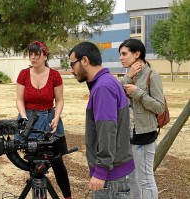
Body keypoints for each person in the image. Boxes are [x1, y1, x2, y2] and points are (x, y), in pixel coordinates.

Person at [68, 41, 135, 199]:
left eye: (72, 64)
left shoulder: (102, 87)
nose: (71, 70)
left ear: (84, 60)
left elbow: (107, 130)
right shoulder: (107, 81)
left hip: (111, 178)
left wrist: (101, 171)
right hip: (115, 173)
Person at [16, 40, 72, 199]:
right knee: (33, 160)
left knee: (56, 161)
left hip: (48, 119)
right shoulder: (24, 74)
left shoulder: (54, 75)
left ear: (45, 56)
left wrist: (56, 116)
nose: (32, 57)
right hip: (28, 119)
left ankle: (68, 196)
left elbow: (59, 100)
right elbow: (19, 99)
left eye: (36, 54)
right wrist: (23, 118)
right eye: (30, 54)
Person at [119, 38, 165, 199]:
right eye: (120, 54)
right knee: (132, 179)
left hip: (145, 135)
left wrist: (138, 93)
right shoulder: (129, 75)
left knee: (145, 179)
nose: (121, 58)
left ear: (137, 54)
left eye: (124, 54)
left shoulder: (152, 75)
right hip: (128, 135)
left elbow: (160, 107)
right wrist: (128, 76)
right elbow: (115, 93)